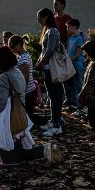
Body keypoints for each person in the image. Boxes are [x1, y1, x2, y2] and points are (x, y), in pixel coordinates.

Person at [0, 45, 61, 166]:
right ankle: (45, 150)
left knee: (3, 144)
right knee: (19, 146)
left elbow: (0, 104)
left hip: (8, 118)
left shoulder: (4, 77)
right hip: (19, 114)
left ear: (2, 60)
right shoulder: (17, 72)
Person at [34, 8, 63, 137]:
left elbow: (49, 51)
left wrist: (40, 64)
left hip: (51, 69)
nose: (38, 21)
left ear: (45, 17)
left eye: (39, 18)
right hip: (47, 69)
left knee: (55, 97)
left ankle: (57, 125)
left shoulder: (52, 32)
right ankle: (53, 121)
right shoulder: (49, 31)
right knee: (52, 97)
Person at [8, 34, 44, 127]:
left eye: (12, 46)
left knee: (27, 116)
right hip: (28, 91)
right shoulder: (22, 56)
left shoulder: (24, 58)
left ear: (19, 45)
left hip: (27, 92)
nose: (11, 49)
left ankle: (41, 124)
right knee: (27, 115)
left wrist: (21, 93)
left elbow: (25, 78)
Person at [64, 18, 85, 111]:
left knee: (77, 83)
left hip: (77, 65)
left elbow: (77, 54)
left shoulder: (79, 39)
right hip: (69, 64)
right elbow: (68, 52)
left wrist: (68, 59)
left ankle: (78, 103)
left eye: (68, 27)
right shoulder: (70, 39)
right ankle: (71, 101)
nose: (67, 28)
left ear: (74, 27)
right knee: (69, 83)